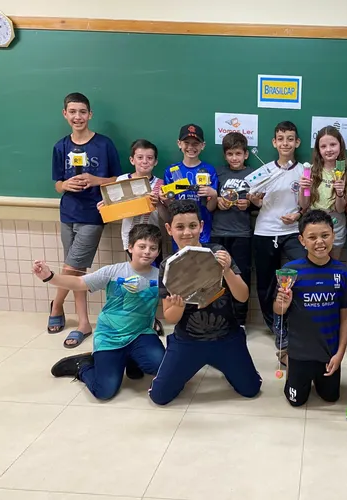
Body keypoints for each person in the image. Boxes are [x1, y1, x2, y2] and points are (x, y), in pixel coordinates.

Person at [149, 200, 262, 405]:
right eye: (180, 227)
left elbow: (242, 296)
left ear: (201, 226)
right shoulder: (168, 265)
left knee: (251, 389)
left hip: (227, 337)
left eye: (193, 226)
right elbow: (171, 317)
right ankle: (179, 353)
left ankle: (230, 352)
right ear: (169, 229)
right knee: (159, 397)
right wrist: (178, 306)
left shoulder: (218, 252)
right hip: (188, 340)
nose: (187, 233)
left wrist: (226, 270)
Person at [43, 224, 166, 400]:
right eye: (142, 246)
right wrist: (50, 277)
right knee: (104, 392)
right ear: (130, 247)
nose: (147, 252)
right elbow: (79, 283)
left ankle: (132, 361)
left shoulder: (161, 276)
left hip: (141, 334)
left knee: (161, 367)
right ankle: (83, 366)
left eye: (153, 248)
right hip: (110, 337)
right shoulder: (113, 271)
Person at [50, 92, 122, 348]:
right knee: (75, 268)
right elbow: (56, 183)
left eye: (82, 112)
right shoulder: (61, 146)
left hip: (94, 213)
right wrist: (65, 184)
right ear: (65, 114)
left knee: (74, 267)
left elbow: (118, 178)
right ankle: (75, 318)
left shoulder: (104, 145)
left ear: (90, 115)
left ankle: (68, 313)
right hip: (67, 212)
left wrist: (95, 180)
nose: (77, 116)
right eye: (72, 112)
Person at [273, 210, 347, 407]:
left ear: (333, 236)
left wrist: (340, 353)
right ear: (302, 240)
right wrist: (283, 303)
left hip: (328, 353)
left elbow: (345, 317)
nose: (319, 242)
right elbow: (278, 311)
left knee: (331, 398)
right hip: (299, 353)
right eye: (312, 237)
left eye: (325, 235)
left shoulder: (342, 273)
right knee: (296, 401)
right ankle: (289, 362)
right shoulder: (291, 271)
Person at [248, 121, 307, 335]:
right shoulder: (263, 170)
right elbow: (256, 202)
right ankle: (274, 324)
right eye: (281, 139)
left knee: (301, 273)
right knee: (265, 281)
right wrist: (254, 199)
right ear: (274, 142)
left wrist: (298, 214)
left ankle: (294, 320)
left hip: (292, 232)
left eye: (290, 139)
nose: (285, 143)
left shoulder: (304, 171)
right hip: (264, 231)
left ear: (297, 142)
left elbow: (306, 203)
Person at [97, 139, 168, 263]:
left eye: (149, 158)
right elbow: (114, 210)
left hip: (153, 239)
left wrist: (159, 204)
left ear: (155, 162)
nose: (144, 161)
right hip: (130, 237)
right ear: (132, 160)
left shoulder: (161, 185)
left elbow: (167, 218)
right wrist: (104, 208)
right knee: (138, 270)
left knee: (153, 272)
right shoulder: (122, 180)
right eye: (140, 157)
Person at [211, 131, 255, 326]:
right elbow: (209, 201)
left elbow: (258, 200)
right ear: (224, 155)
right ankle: (220, 318)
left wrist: (251, 205)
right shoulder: (217, 173)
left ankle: (240, 321)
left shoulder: (253, 174)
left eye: (238, 153)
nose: (234, 158)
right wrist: (217, 199)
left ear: (246, 154)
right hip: (218, 233)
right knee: (215, 277)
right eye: (230, 154)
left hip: (242, 234)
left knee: (240, 275)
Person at [298, 126, 347, 259]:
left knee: (333, 264)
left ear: (340, 146)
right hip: (313, 221)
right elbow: (304, 204)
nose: (328, 149)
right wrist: (303, 188)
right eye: (323, 146)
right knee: (314, 263)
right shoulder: (310, 171)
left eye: (333, 145)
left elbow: (341, 209)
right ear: (318, 149)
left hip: (336, 223)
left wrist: (340, 193)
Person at [161, 123, 219, 247]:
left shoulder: (209, 170)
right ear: (179, 144)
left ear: (202, 146)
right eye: (186, 143)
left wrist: (214, 195)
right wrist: (165, 200)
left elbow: (210, 207)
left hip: (202, 229)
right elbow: (170, 205)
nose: (191, 147)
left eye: (195, 143)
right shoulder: (171, 171)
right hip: (180, 230)